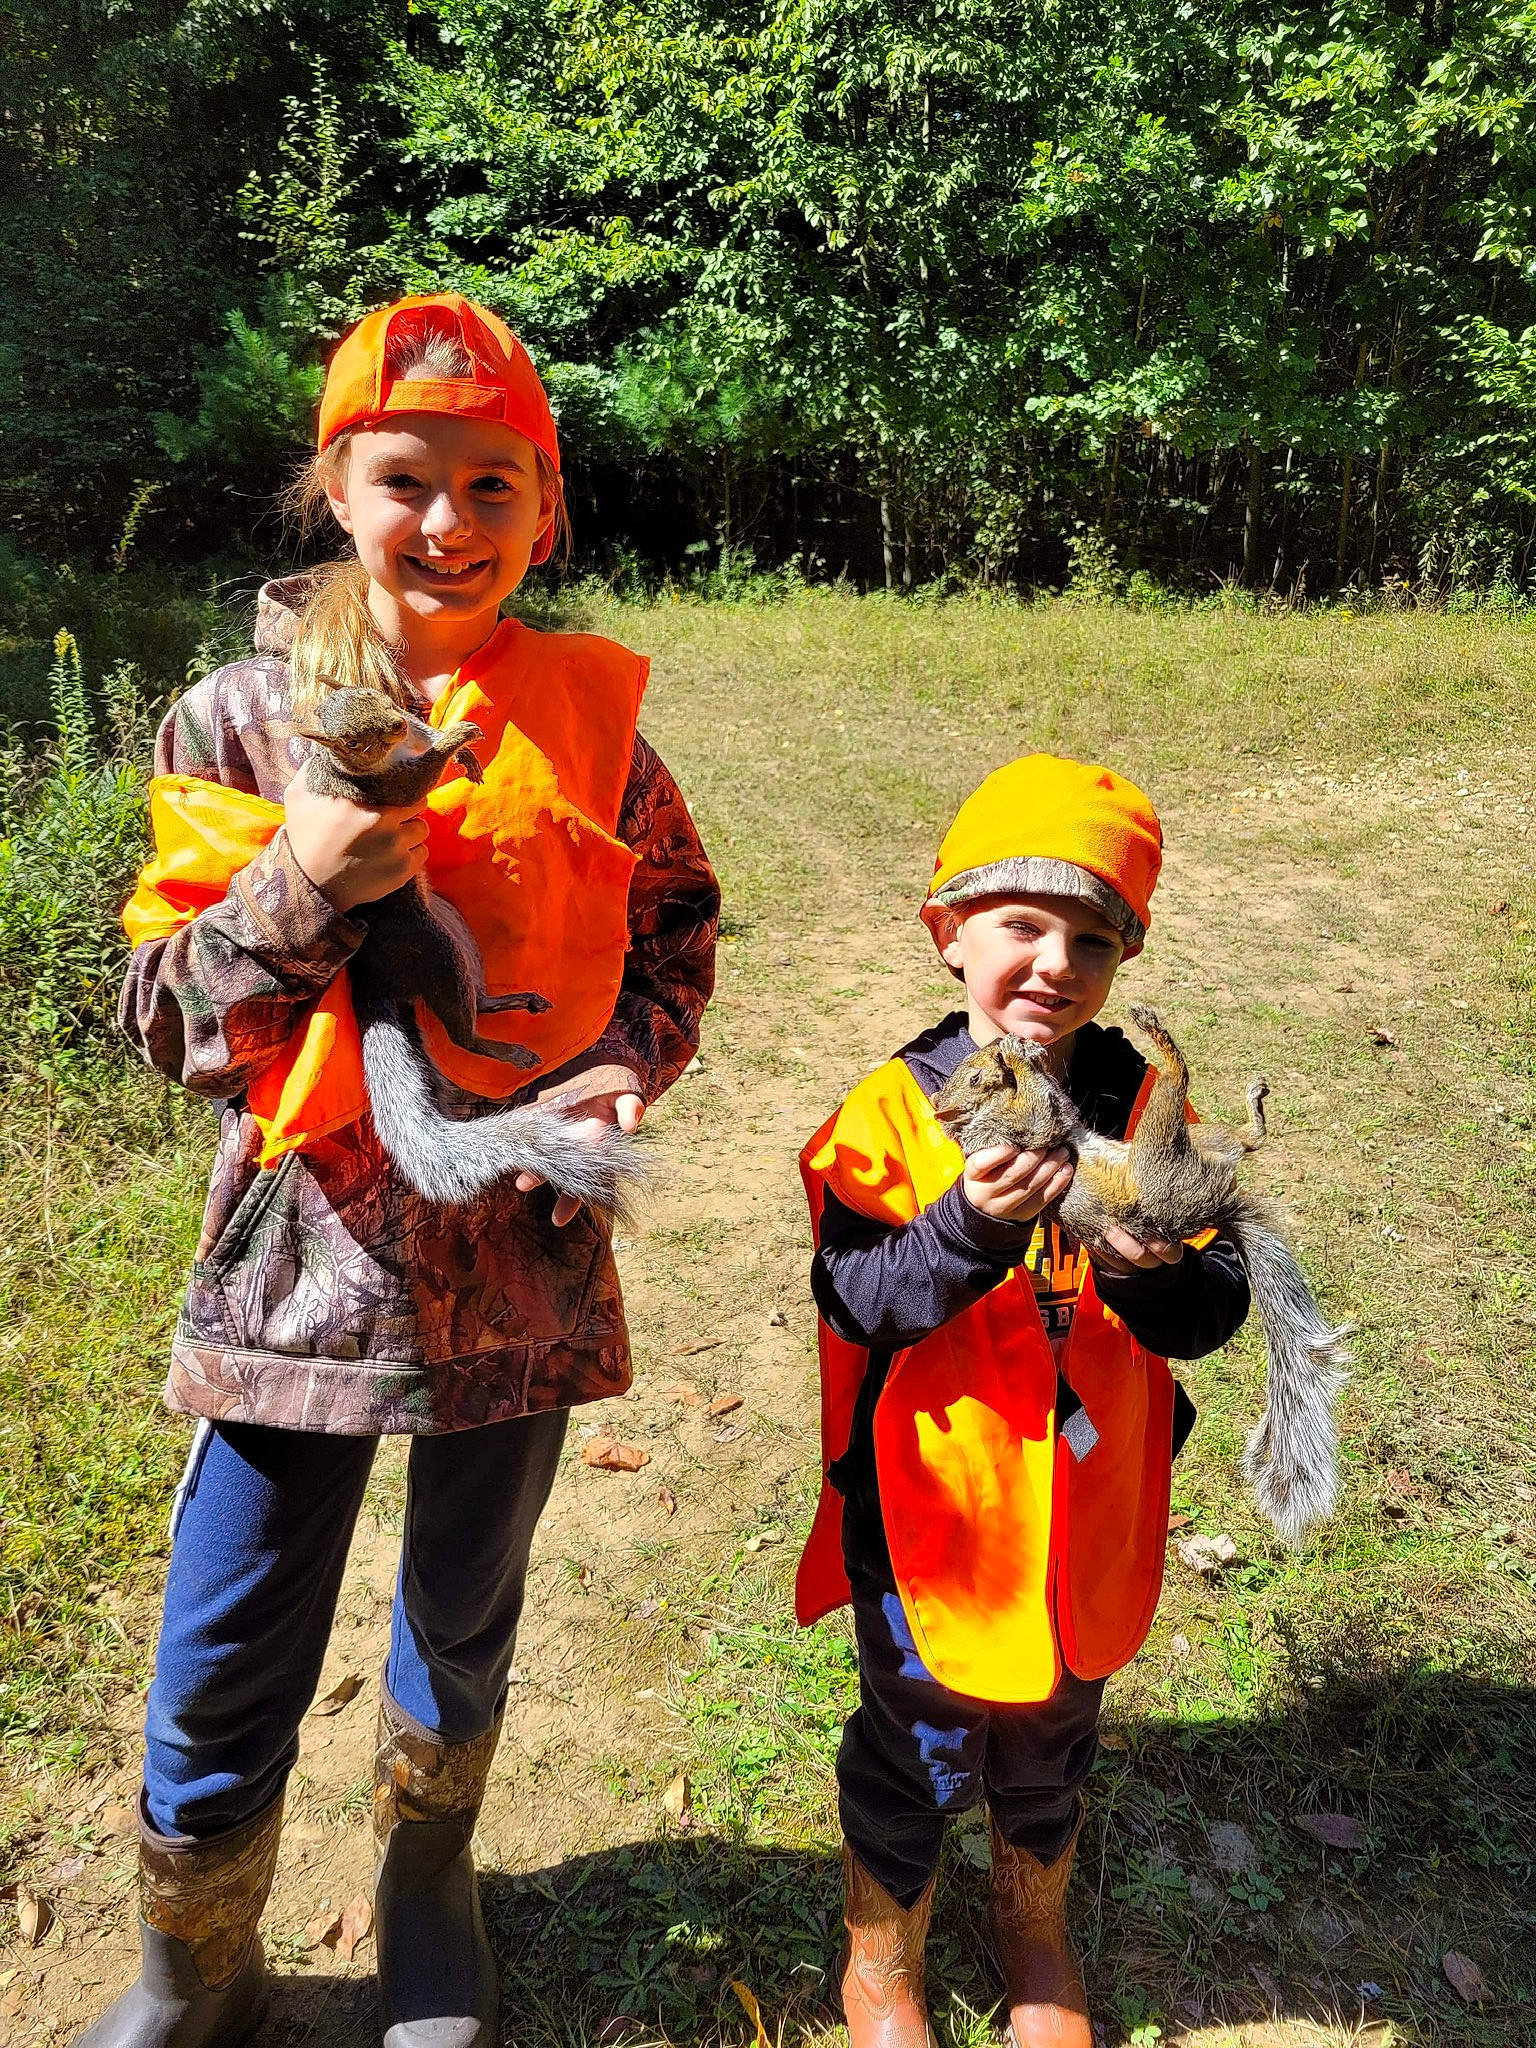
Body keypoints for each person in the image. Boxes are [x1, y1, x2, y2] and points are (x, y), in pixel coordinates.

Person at [80, 293, 719, 2048]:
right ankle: (194, 1962)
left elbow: (677, 928)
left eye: (493, 483)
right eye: (405, 479)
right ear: (335, 492)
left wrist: (620, 1067)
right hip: (302, 1265)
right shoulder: (241, 720)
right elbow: (165, 1019)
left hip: (523, 1251)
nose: (449, 521)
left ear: (547, 510)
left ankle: (430, 1885)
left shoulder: (593, 728)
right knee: (230, 1628)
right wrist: (301, 885)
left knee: (466, 1599)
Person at [795, 755, 1250, 2048]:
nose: (1055, 964)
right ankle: (882, 1965)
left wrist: (1148, 1273)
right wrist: (970, 1229)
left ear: (1125, 958)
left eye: (1092, 939)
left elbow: (1213, 1309)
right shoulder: (894, 1112)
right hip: (933, 1518)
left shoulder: (1146, 1108)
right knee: (916, 1745)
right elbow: (857, 1298)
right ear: (948, 932)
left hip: (1089, 1505)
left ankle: (1033, 1930)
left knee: (1054, 1732)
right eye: (1019, 926)